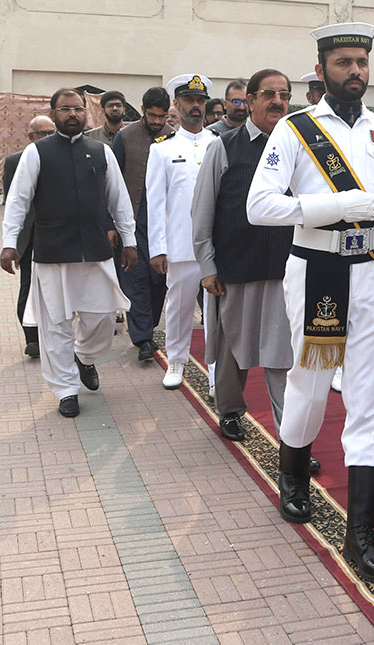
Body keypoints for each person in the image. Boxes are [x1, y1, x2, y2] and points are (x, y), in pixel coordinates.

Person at [247, 23, 374, 585]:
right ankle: (292, 473)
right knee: (310, 390)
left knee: (368, 397)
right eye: (344, 63)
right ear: (321, 70)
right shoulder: (294, 130)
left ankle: (361, 533)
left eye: (362, 62)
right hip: (316, 269)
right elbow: (260, 207)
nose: (355, 72)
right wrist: (336, 204)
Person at [191, 68, 320, 474]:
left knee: (284, 358)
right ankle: (230, 410)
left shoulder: (303, 147)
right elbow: (202, 210)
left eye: (285, 94)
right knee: (233, 353)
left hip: (288, 271)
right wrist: (207, 265)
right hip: (235, 268)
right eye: (269, 94)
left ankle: (291, 442)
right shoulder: (224, 147)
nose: (278, 102)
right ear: (249, 99)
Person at [0, 88, 137, 418]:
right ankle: (65, 390)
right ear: (54, 112)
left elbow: (119, 200)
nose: (72, 114)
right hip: (52, 253)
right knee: (55, 326)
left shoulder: (101, 152)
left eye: (77, 109)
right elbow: (18, 200)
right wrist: (9, 242)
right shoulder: (37, 153)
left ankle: (85, 357)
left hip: (95, 252)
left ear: (84, 114)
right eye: (65, 109)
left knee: (103, 318)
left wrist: (130, 241)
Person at [146, 74, 217, 389]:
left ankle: (216, 369)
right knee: (179, 306)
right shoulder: (163, 149)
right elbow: (155, 202)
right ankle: (176, 360)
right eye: (189, 100)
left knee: (217, 312)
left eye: (200, 101)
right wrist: (157, 248)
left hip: (217, 246)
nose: (195, 107)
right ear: (176, 104)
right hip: (181, 244)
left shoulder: (218, 143)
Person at [112, 88, 175, 361]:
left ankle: (147, 328)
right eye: (152, 116)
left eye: (162, 116)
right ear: (142, 109)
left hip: (166, 220)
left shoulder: (174, 136)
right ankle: (143, 339)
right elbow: (111, 182)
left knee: (159, 278)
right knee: (135, 278)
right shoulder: (125, 137)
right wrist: (111, 224)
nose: (158, 122)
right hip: (133, 220)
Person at [2, 114, 56, 357]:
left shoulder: (59, 157)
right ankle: (31, 338)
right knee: (28, 286)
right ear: (30, 136)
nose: (47, 138)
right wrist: (10, 242)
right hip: (29, 235)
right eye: (42, 134)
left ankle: (52, 335)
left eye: (50, 133)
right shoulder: (14, 161)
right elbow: (11, 202)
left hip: (56, 234)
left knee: (55, 287)